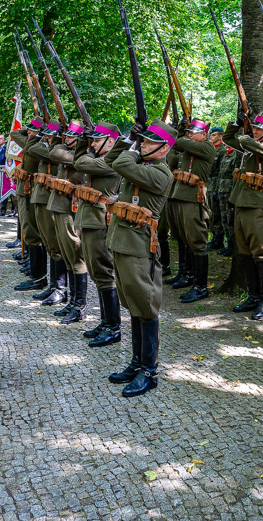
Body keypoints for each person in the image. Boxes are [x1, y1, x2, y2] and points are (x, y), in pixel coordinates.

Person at [105, 118, 177, 397]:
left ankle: (150, 369)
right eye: (143, 140)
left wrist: (133, 147)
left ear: (163, 149)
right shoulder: (144, 164)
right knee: (134, 305)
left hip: (139, 246)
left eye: (149, 142)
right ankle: (136, 362)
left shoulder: (161, 173)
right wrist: (128, 140)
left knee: (146, 307)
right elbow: (113, 159)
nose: (144, 144)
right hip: (123, 243)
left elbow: (121, 164)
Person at [223, 112, 263, 320]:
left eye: (260, 129)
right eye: (253, 128)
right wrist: (236, 123)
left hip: (257, 205)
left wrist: (245, 135)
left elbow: (251, 145)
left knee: (260, 253)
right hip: (240, 202)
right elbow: (228, 139)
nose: (255, 131)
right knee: (245, 252)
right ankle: (254, 295)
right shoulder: (251, 143)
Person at [74, 121, 122, 347]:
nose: (92, 143)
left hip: (100, 221)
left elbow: (81, 162)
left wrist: (83, 143)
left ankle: (113, 327)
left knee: (103, 272)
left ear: (111, 142)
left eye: (96, 139)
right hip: (90, 218)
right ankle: (105, 323)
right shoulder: (100, 158)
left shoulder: (111, 161)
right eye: (91, 139)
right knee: (96, 271)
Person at [166, 118, 216, 303]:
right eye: (189, 132)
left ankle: (200, 286)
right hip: (179, 195)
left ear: (204, 135)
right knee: (182, 237)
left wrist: (179, 132)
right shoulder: (188, 151)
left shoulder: (207, 147)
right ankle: (186, 275)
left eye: (194, 132)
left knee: (196, 240)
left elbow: (179, 142)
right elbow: (172, 159)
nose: (190, 135)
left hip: (193, 199)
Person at [47, 121, 87, 321]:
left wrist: (82, 144)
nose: (67, 139)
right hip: (60, 205)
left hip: (70, 208)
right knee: (67, 254)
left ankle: (79, 306)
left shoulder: (84, 157)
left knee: (75, 255)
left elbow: (77, 161)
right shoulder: (66, 151)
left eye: (73, 137)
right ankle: (72, 301)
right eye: (67, 136)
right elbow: (53, 152)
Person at [24, 120, 67, 305]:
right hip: (41, 197)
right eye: (46, 133)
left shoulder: (59, 151)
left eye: (51, 134)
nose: (47, 136)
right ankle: (52, 285)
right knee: (49, 243)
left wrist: (52, 138)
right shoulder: (47, 146)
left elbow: (34, 149)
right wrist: (42, 134)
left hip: (51, 199)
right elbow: (30, 147)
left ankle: (61, 288)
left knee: (56, 244)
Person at [10, 119, 47, 291]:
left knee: (32, 233)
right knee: (28, 230)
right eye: (29, 130)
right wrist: (34, 128)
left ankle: (38, 277)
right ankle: (35, 273)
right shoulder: (31, 141)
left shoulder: (36, 145)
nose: (29, 133)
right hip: (25, 190)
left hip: (30, 191)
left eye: (33, 131)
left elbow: (17, 135)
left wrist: (37, 133)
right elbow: (15, 133)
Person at [207, 126, 226, 251]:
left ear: (220, 136)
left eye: (213, 135)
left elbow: (221, 172)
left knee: (217, 214)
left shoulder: (222, 151)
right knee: (211, 213)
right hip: (209, 184)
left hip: (216, 185)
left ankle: (218, 238)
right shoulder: (211, 149)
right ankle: (214, 236)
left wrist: (217, 189)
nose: (210, 137)